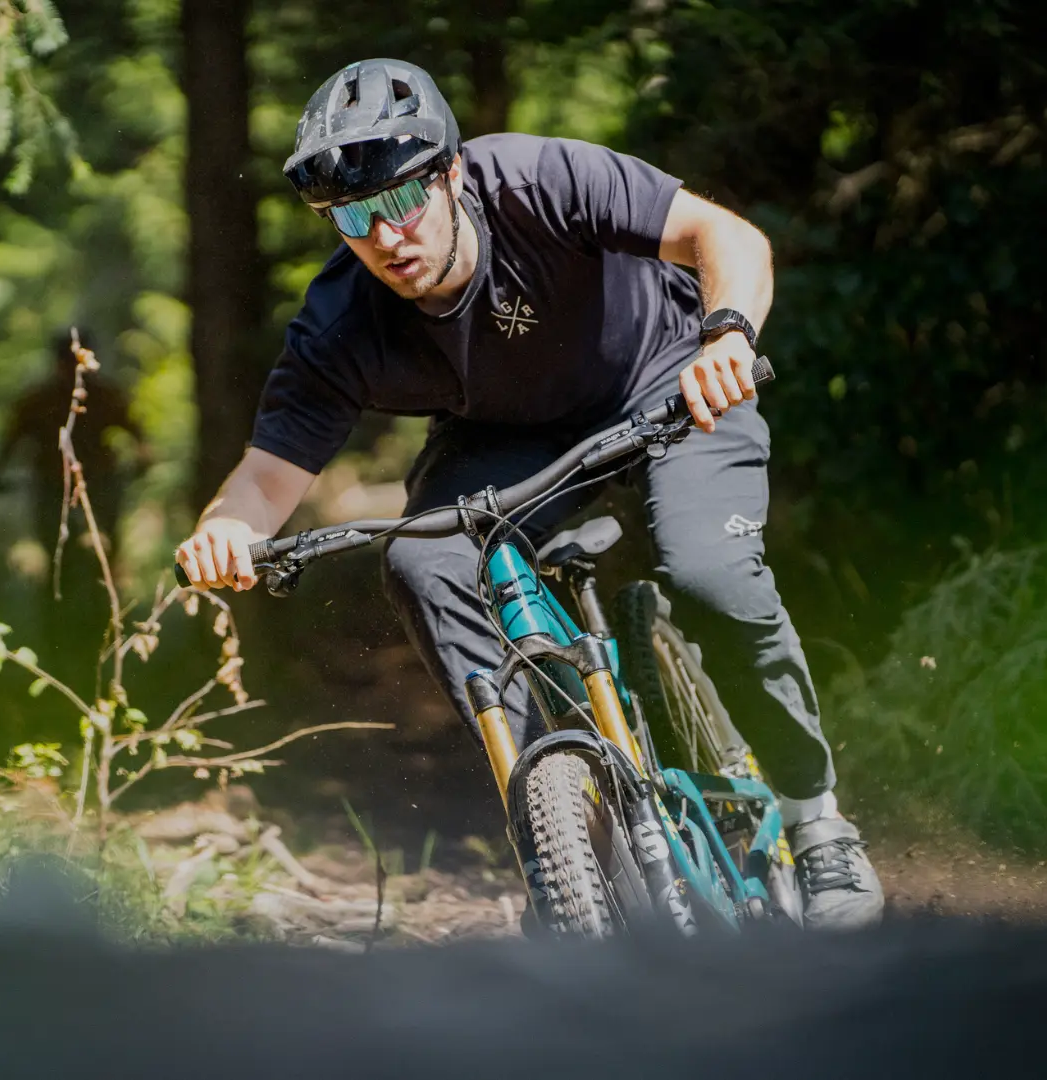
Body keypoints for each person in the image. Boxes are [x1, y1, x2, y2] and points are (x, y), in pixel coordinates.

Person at [176, 58, 884, 930]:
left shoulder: (539, 179)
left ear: (451, 174)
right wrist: (222, 534)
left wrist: (727, 336)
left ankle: (818, 823)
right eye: (353, 218)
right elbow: (264, 479)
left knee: (708, 576)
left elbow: (727, 237)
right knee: (423, 557)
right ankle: (562, 831)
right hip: (504, 437)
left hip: (669, 382)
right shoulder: (340, 322)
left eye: (401, 201)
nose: (385, 236)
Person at [0, 329, 147, 559]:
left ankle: (101, 583)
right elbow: (11, 441)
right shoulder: (40, 400)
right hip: (55, 481)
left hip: (97, 480)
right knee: (58, 546)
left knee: (101, 543)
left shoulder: (103, 396)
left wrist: (142, 460)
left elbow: (138, 435)